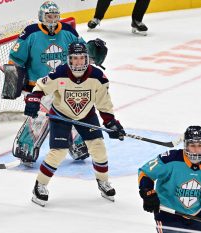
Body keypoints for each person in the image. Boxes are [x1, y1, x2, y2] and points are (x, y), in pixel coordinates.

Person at [23, 42, 125, 207]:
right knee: (58, 152)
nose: (78, 62)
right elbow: (41, 86)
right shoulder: (60, 73)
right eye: (74, 58)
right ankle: (40, 185)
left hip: (86, 115)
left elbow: (104, 104)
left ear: (87, 59)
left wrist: (111, 123)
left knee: (98, 148)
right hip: (61, 115)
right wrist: (33, 100)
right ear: (68, 59)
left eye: (81, 58)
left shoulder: (98, 77)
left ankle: (103, 182)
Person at [7, 1, 94, 165]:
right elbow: (15, 59)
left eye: (55, 16)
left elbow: (82, 51)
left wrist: (91, 52)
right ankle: (24, 148)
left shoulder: (68, 30)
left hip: (63, 85)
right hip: (37, 87)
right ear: (41, 16)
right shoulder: (30, 33)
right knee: (39, 118)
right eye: (49, 16)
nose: (53, 19)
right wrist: (15, 82)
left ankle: (77, 145)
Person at [138, 126, 201, 233]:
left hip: (196, 215)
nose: (196, 150)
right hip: (168, 213)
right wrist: (147, 191)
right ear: (185, 146)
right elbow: (146, 172)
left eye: (200, 145)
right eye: (192, 145)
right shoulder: (170, 159)